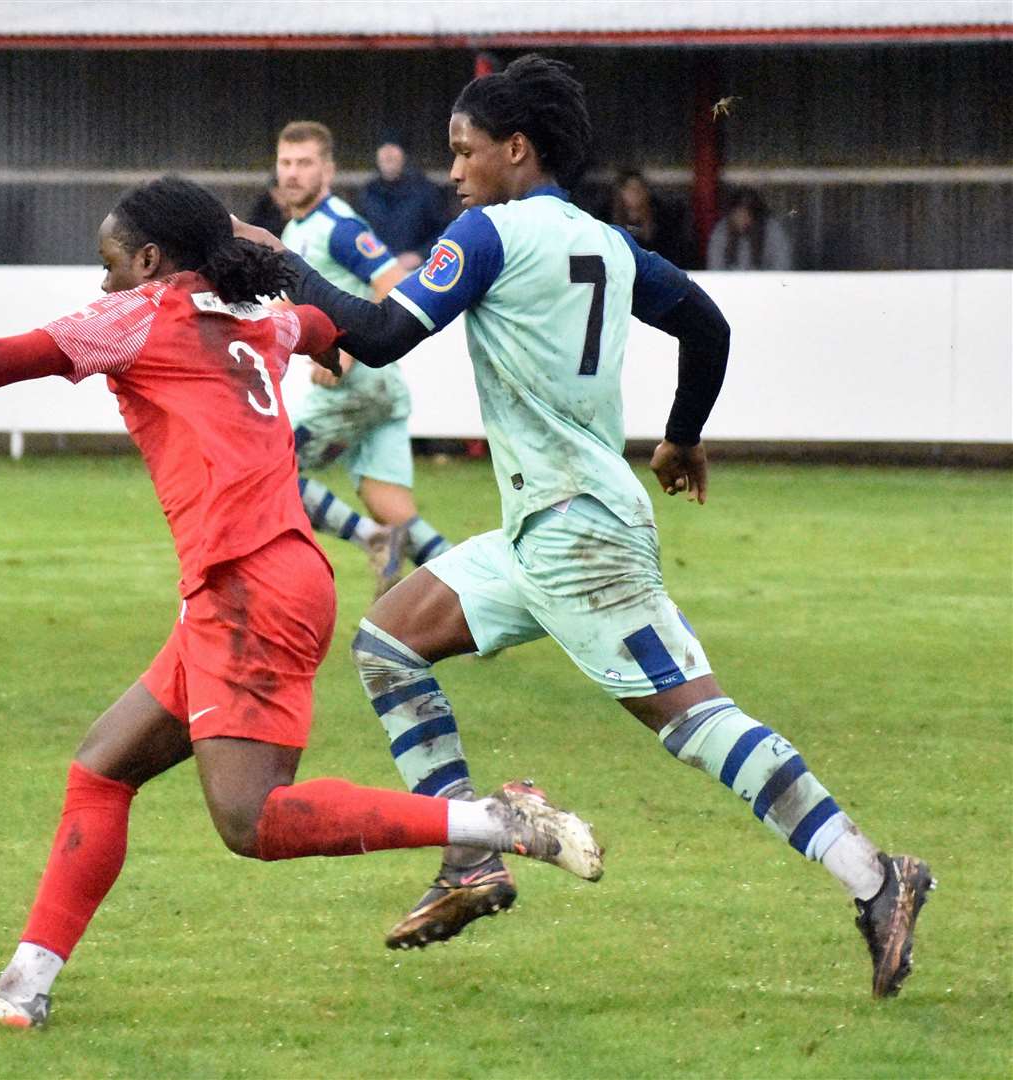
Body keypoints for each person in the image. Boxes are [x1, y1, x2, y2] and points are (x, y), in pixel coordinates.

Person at [0, 177, 604, 1030]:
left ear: (154, 262)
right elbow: (311, 320)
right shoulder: (263, 318)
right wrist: (321, 335)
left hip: (250, 586)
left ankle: (497, 822)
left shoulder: (140, 317)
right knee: (103, 765)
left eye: (110, 264)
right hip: (256, 578)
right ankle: (21, 990)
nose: (102, 285)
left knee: (250, 820)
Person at [235, 56, 932, 998]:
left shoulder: (487, 234)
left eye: (464, 151)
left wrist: (275, 263)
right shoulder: (605, 241)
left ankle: (876, 876)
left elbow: (381, 336)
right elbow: (709, 326)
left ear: (514, 149)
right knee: (388, 641)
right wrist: (681, 439)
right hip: (544, 526)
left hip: (580, 535)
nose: (454, 171)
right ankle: (472, 855)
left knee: (696, 722)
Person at [275, 120, 455, 596]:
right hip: (379, 387)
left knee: (268, 469)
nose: (293, 173)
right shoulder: (296, 229)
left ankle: (370, 539)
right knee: (388, 500)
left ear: (328, 170)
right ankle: (478, 595)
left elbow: (395, 283)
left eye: (305, 163)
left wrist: (351, 349)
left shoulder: (339, 227)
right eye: (286, 163)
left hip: (358, 385)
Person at [358, 136, 450, 270]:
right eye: (383, 147)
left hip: (419, 274)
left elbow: (445, 232)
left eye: (394, 147)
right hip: (377, 273)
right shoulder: (367, 193)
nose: (388, 152)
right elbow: (358, 233)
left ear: (404, 154)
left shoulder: (426, 191)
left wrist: (420, 255)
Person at [610, 169, 700, 270]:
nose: (635, 193)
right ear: (620, 193)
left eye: (639, 188)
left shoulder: (662, 220)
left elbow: (672, 253)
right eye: (629, 189)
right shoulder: (608, 220)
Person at [707, 187, 794, 271]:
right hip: (730, 284)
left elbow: (782, 265)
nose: (741, 219)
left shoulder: (772, 231)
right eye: (737, 214)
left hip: (766, 283)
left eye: (746, 214)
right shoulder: (722, 231)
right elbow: (715, 267)